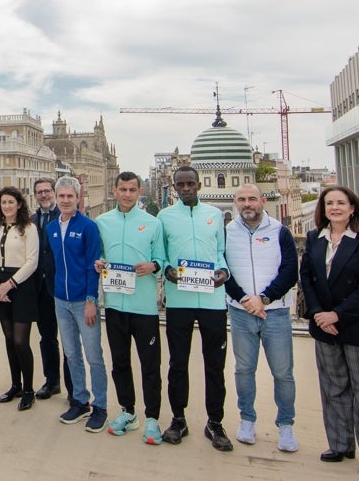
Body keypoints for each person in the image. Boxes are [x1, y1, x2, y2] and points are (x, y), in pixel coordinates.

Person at [301, 186, 359, 476]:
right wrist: (319, 315)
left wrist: (337, 314)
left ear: (353, 208)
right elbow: (307, 280)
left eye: (341, 203)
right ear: (322, 209)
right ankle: (340, 444)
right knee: (334, 389)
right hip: (325, 327)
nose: (335, 208)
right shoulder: (315, 239)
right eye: (329, 203)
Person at [158, 166, 232, 451]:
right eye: (181, 184)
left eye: (190, 184)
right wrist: (166, 268)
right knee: (178, 363)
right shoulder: (164, 217)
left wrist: (223, 272)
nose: (186, 188)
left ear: (198, 185)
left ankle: (215, 422)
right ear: (173, 187)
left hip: (213, 300)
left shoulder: (214, 215)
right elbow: (161, 253)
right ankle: (179, 419)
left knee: (215, 365)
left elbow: (219, 253)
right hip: (180, 301)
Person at [223, 184, 299, 452]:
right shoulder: (227, 233)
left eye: (252, 199)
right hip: (241, 312)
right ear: (235, 203)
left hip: (275, 312)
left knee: (282, 372)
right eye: (242, 199)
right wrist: (245, 299)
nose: (247, 204)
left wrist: (264, 298)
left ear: (263, 201)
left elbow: (290, 270)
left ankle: (286, 425)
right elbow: (224, 271)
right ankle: (247, 420)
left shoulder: (280, 231)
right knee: (244, 370)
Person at [94, 172, 166, 443]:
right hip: (114, 306)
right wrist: (98, 263)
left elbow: (162, 258)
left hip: (144, 308)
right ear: (114, 191)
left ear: (139, 193)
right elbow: (97, 256)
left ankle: (152, 419)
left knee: (150, 365)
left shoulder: (152, 223)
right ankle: (128, 411)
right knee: (120, 363)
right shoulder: (102, 222)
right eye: (122, 189)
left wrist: (154, 266)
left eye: (132, 190)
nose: (126, 194)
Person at [46, 176, 109, 432]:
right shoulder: (50, 228)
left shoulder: (88, 227)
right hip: (61, 300)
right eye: (61, 196)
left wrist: (92, 300)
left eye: (70, 196)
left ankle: (101, 406)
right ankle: (80, 401)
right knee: (71, 354)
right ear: (56, 197)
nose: (65, 200)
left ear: (78, 198)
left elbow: (93, 265)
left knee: (93, 355)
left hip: (85, 301)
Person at [0, 187, 39, 411]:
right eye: (3, 203)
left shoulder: (29, 228)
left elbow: (32, 262)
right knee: (9, 340)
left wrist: (10, 285)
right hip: (0, 286)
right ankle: (16, 385)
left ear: (19, 204)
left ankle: (29, 390)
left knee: (20, 341)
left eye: (11, 202)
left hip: (21, 286)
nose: (7, 206)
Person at [31, 177, 71, 402]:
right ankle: (52, 382)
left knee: (68, 341)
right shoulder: (32, 220)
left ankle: (72, 387)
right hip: (40, 288)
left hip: (62, 287)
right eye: (40, 192)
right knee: (47, 338)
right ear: (35, 195)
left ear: (54, 193)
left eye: (47, 191)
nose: (44, 195)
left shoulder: (65, 216)